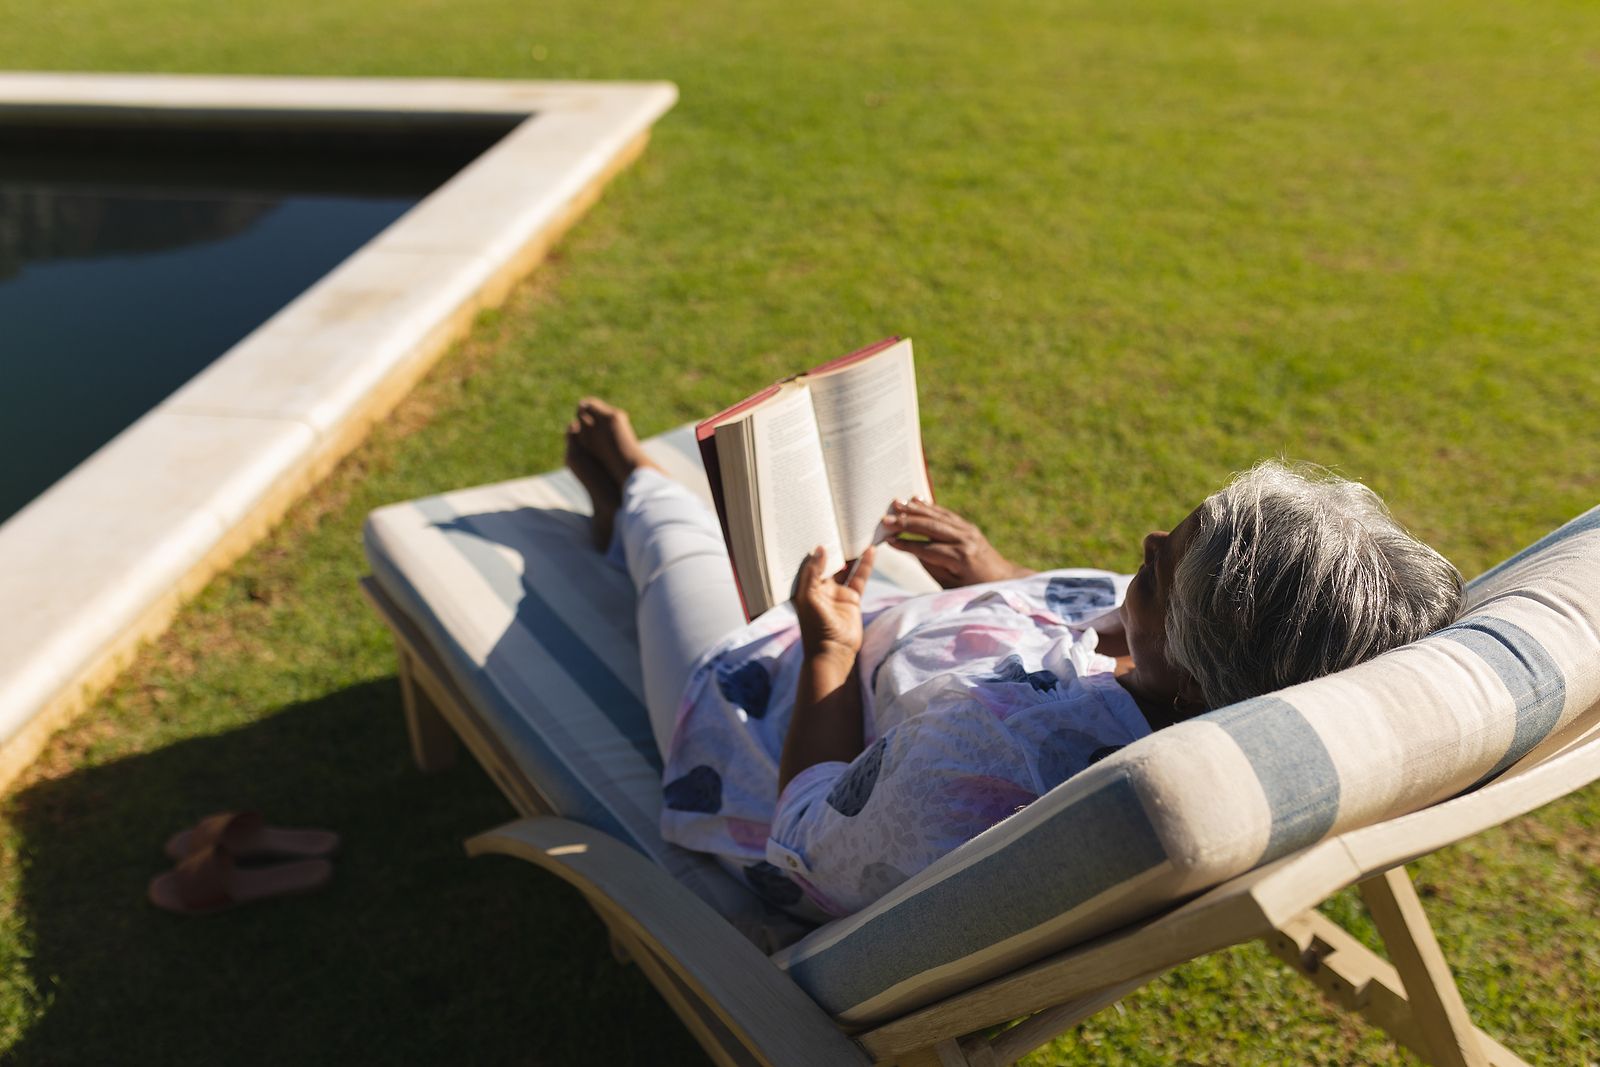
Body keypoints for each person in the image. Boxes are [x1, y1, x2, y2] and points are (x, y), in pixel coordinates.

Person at [564, 399, 1464, 919]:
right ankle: (640, 498)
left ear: (1196, 666)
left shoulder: (982, 758)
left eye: (1152, 574)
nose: (1145, 540)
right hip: (916, 640)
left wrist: (827, 647)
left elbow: (804, 835)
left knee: (680, 557)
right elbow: (1112, 647)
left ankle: (631, 484)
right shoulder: (1233, 699)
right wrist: (997, 576)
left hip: (768, 709)